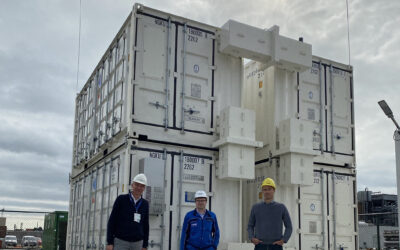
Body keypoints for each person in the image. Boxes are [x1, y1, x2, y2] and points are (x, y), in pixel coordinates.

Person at [106, 174, 149, 250]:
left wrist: (145, 245)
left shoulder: (145, 204)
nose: (139, 188)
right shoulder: (121, 199)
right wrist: (109, 242)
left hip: (138, 243)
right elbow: (112, 221)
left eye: (142, 186)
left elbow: (146, 225)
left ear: (144, 188)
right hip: (121, 242)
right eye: (137, 185)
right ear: (132, 185)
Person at [247, 178, 292, 250]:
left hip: (276, 247)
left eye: (269, 189)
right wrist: (252, 238)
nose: (267, 191)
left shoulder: (281, 207)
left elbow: (289, 227)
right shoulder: (255, 208)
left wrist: (284, 240)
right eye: (265, 189)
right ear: (262, 191)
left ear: (274, 190)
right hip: (260, 246)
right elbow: (250, 226)